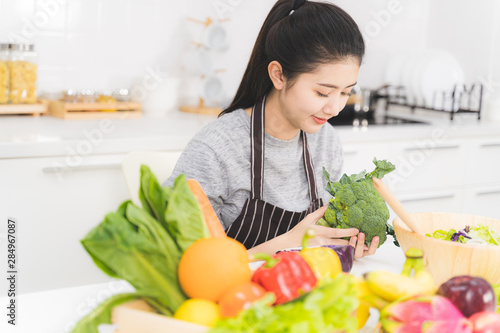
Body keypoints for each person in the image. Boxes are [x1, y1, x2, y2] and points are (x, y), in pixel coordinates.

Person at [165, 0, 379, 258]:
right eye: (323, 92)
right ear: (278, 75)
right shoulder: (217, 149)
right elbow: (191, 265)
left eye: (346, 92)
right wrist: (289, 242)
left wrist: (342, 246)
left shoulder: (326, 141)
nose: (335, 108)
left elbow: (318, 246)